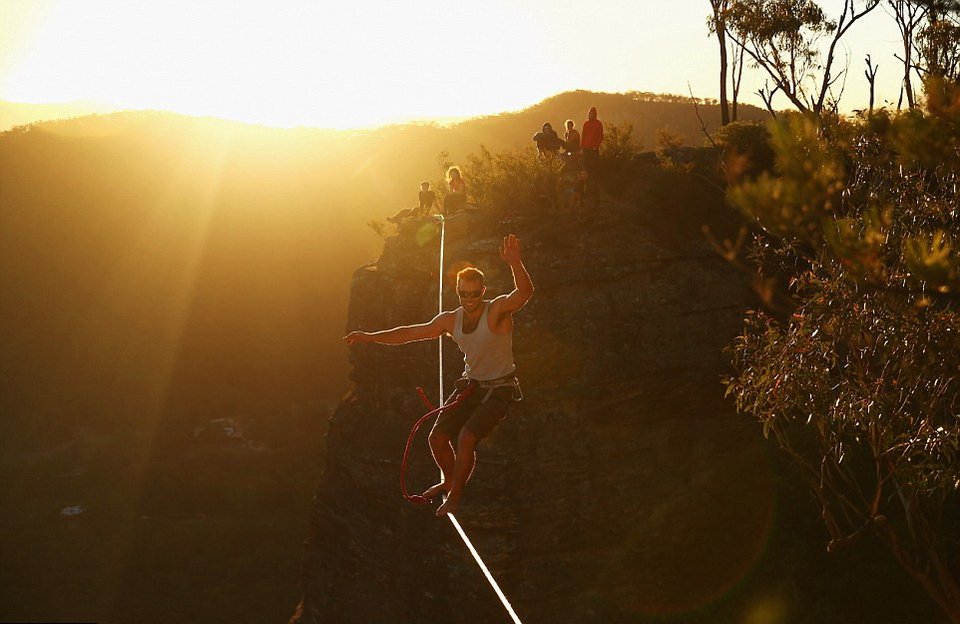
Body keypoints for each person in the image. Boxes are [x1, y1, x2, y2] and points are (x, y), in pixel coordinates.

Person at [344, 234, 534, 517]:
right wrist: (370, 337)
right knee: (437, 438)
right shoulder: (450, 319)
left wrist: (516, 264)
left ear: (483, 290)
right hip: (472, 385)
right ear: (458, 292)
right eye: (463, 294)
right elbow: (410, 333)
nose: (469, 299)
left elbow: (524, 294)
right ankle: (449, 480)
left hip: (500, 388)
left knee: (467, 438)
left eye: (474, 293)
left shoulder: (496, 311)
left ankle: (454, 498)